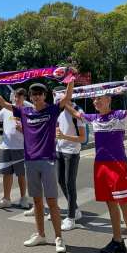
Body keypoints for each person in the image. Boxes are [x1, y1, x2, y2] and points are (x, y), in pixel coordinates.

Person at [0, 76, 75, 253]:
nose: (35, 97)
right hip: (30, 161)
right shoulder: (25, 112)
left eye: (39, 94)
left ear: (44, 95)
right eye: (33, 94)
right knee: (36, 200)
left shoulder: (51, 110)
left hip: (48, 161)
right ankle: (41, 235)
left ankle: (59, 238)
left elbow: (66, 97)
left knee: (52, 201)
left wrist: (70, 79)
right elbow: (3, 103)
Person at [70, 79, 127, 253]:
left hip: (117, 165)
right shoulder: (94, 118)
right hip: (100, 167)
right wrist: (64, 94)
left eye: (99, 99)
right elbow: (74, 111)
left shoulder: (119, 116)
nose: (96, 102)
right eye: (94, 99)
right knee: (110, 204)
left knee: (125, 204)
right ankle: (117, 241)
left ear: (109, 99)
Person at [52, 87, 87, 231]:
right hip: (59, 150)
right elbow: (58, 129)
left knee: (69, 183)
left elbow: (83, 138)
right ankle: (76, 209)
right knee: (61, 181)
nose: (55, 98)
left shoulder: (78, 112)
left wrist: (65, 137)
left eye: (57, 95)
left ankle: (71, 218)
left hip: (72, 152)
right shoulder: (59, 111)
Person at [0, 88, 30, 210]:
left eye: (20, 97)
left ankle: (23, 198)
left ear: (24, 98)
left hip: (20, 148)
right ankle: (6, 199)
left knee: (21, 175)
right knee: (6, 174)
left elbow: (33, 132)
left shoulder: (28, 111)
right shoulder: (7, 110)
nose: (17, 99)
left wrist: (23, 129)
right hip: (5, 147)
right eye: (15, 97)